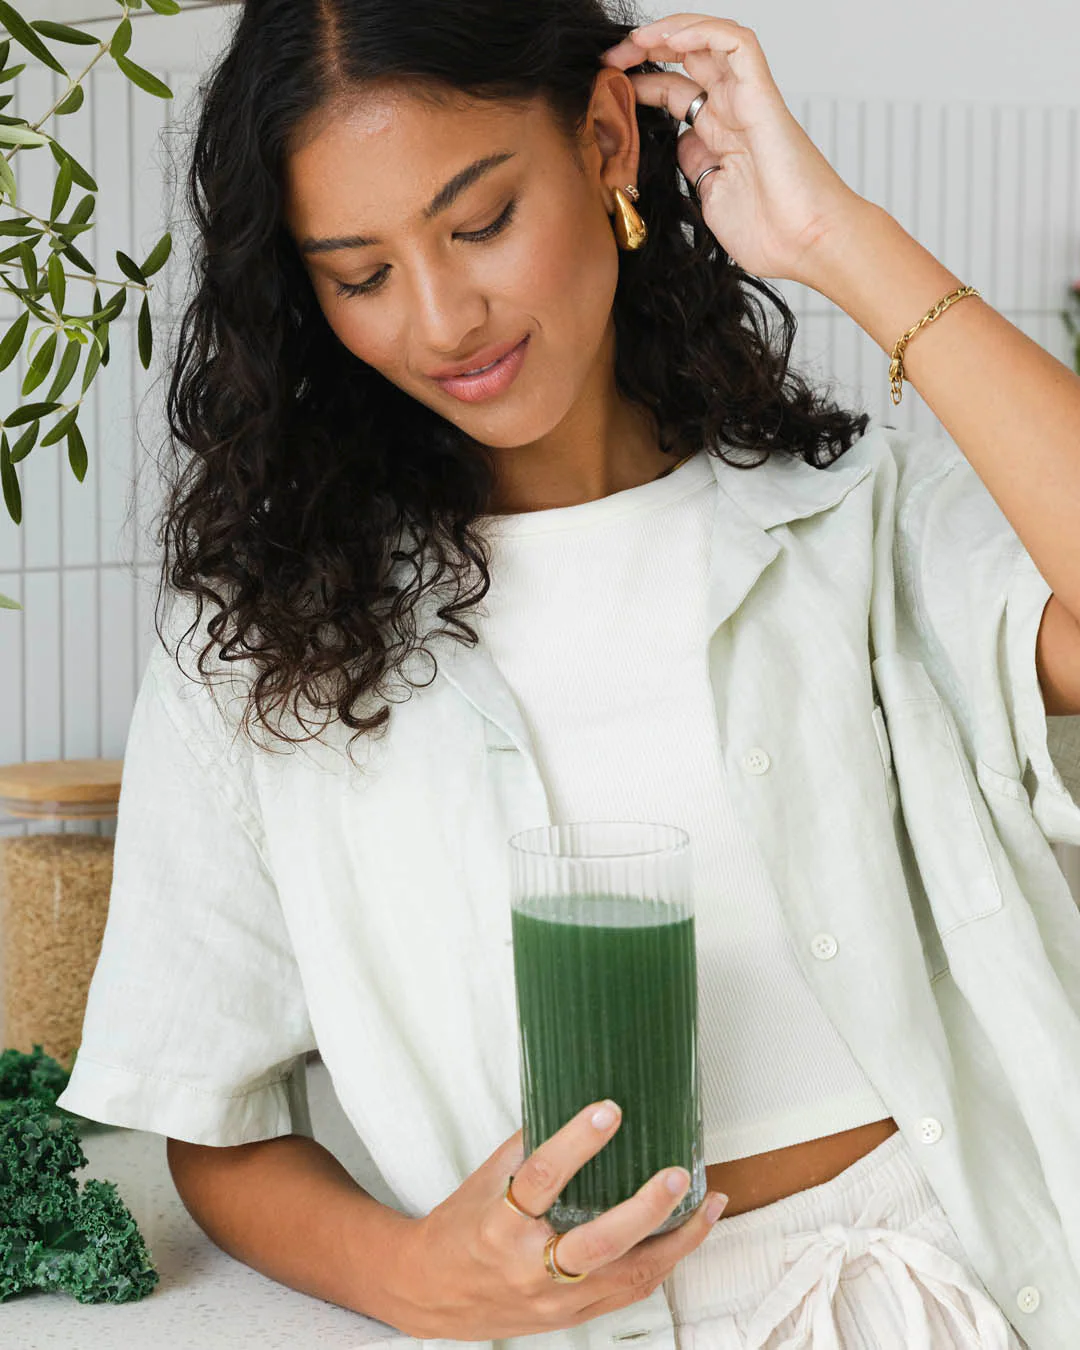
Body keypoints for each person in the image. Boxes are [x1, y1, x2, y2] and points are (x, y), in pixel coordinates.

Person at [54, 0, 1080, 1346]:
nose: (441, 319)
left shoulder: (858, 519)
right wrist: (406, 1275)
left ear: (604, 141)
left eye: (481, 223)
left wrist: (836, 238)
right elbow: (213, 1113)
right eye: (359, 276)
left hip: (978, 1280)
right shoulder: (260, 644)